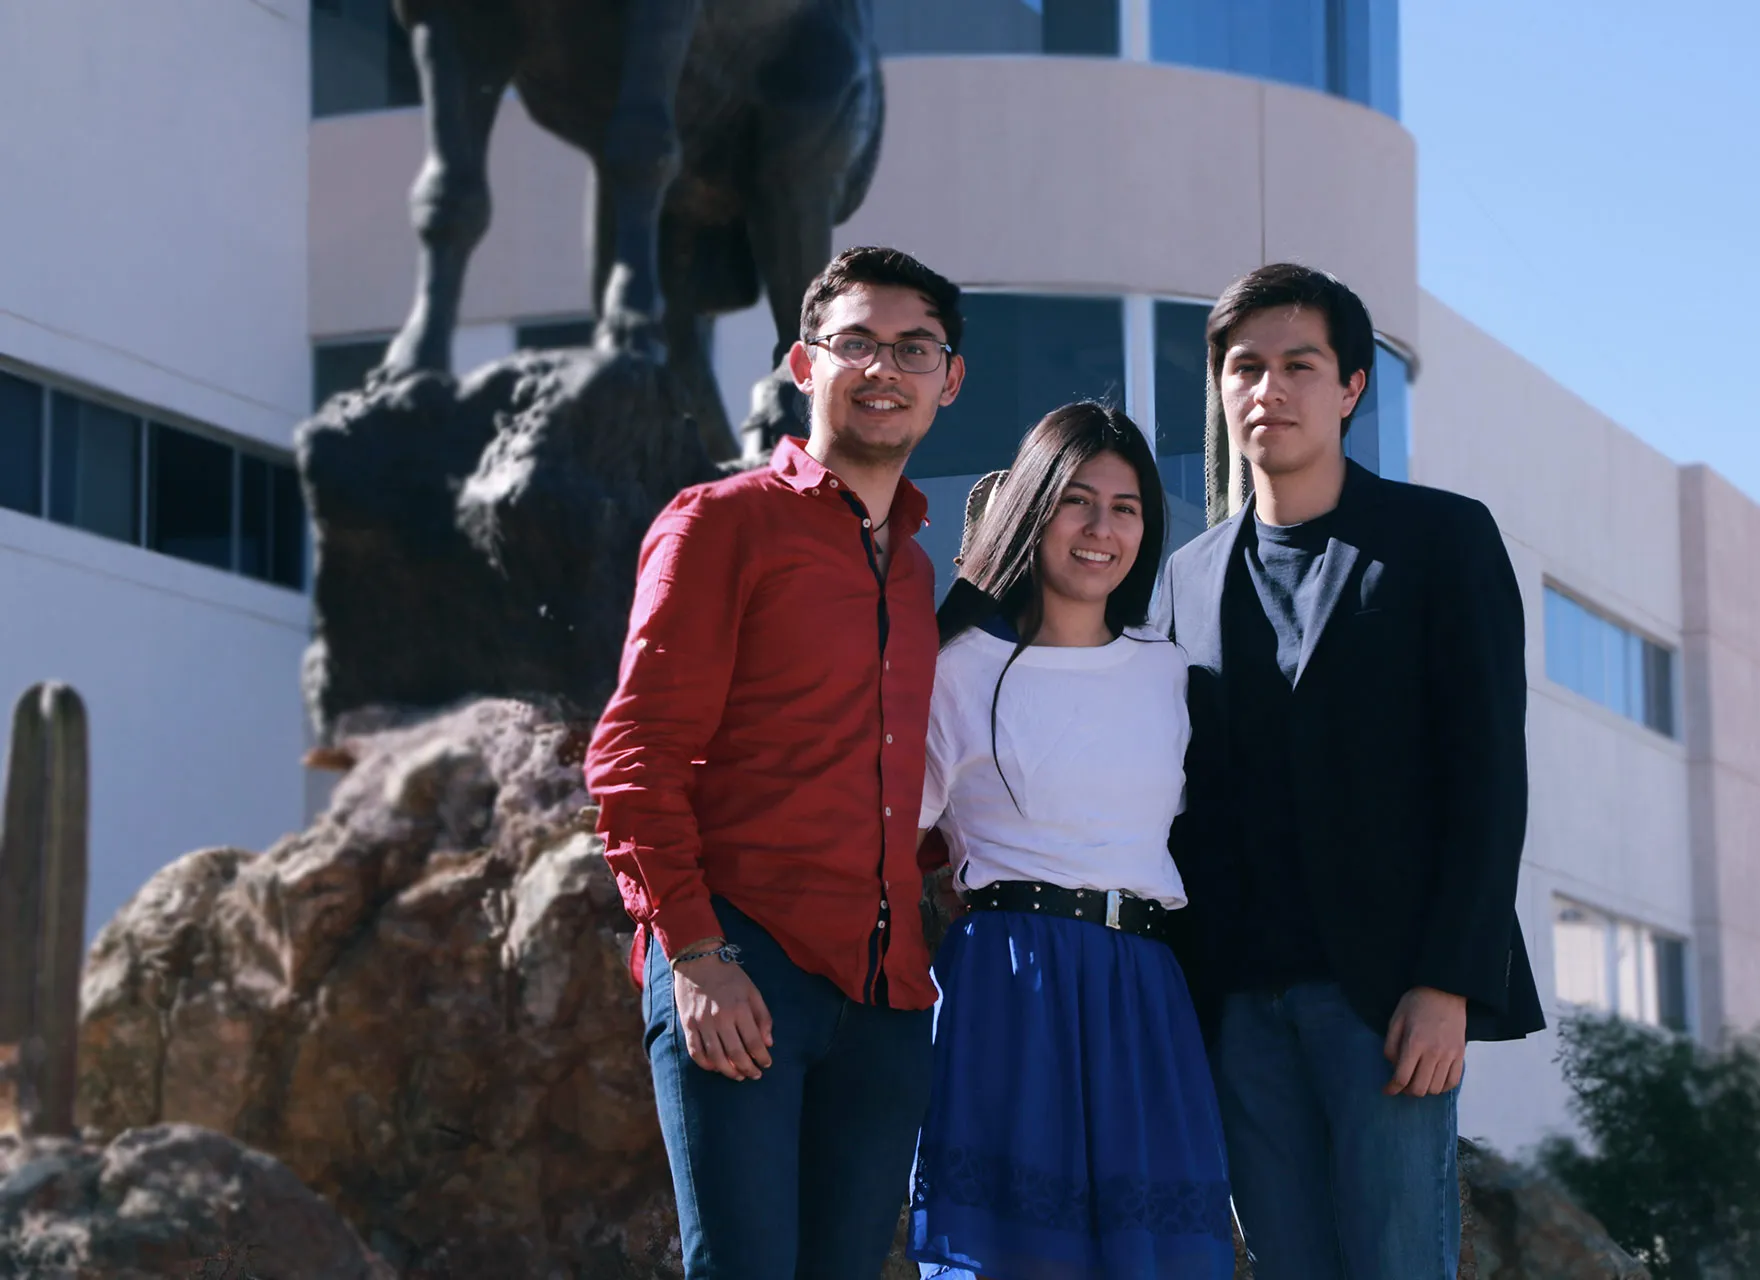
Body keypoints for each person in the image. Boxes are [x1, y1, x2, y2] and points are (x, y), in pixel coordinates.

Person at [1151, 263, 1545, 1278]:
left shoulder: (1441, 540)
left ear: (1351, 387)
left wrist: (1448, 980)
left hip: (1384, 998)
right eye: (1244, 367)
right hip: (1236, 1003)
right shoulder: (1185, 578)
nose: (1266, 390)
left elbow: (1489, 774)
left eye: (1298, 365)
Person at [584, 245, 966, 1279]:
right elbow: (632, 754)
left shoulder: (922, 565)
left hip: (886, 992)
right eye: (857, 342)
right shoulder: (720, 524)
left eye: (913, 347)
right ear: (804, 364)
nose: (884, 367)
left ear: (949, 377)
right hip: (742, 960)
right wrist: (697, 953)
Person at [910, 402, 1236, 1280]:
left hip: (1144, 990)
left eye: (1126, 508)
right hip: (1006, 986)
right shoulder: (954, 668)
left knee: (1158, 1260)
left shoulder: (1170, 670)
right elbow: (888, 844)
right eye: (1076, 501)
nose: (1101, 529)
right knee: (1010, 1257)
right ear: (1033, 510)